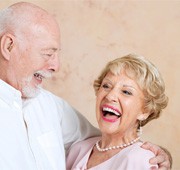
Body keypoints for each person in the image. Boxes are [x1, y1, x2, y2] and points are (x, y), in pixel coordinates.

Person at [0, 2, 171, 170]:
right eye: (48, 54)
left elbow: (110, 139)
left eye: (126, 91)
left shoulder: (49, 105)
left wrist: (157, 156)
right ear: (8, 46)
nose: (56, 66)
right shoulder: (79, 152)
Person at [66, 54, 171, 170]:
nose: (110, 96)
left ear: (145, 111)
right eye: (106, 86)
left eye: (126, 92)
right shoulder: (78, 150)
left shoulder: (142, 159)